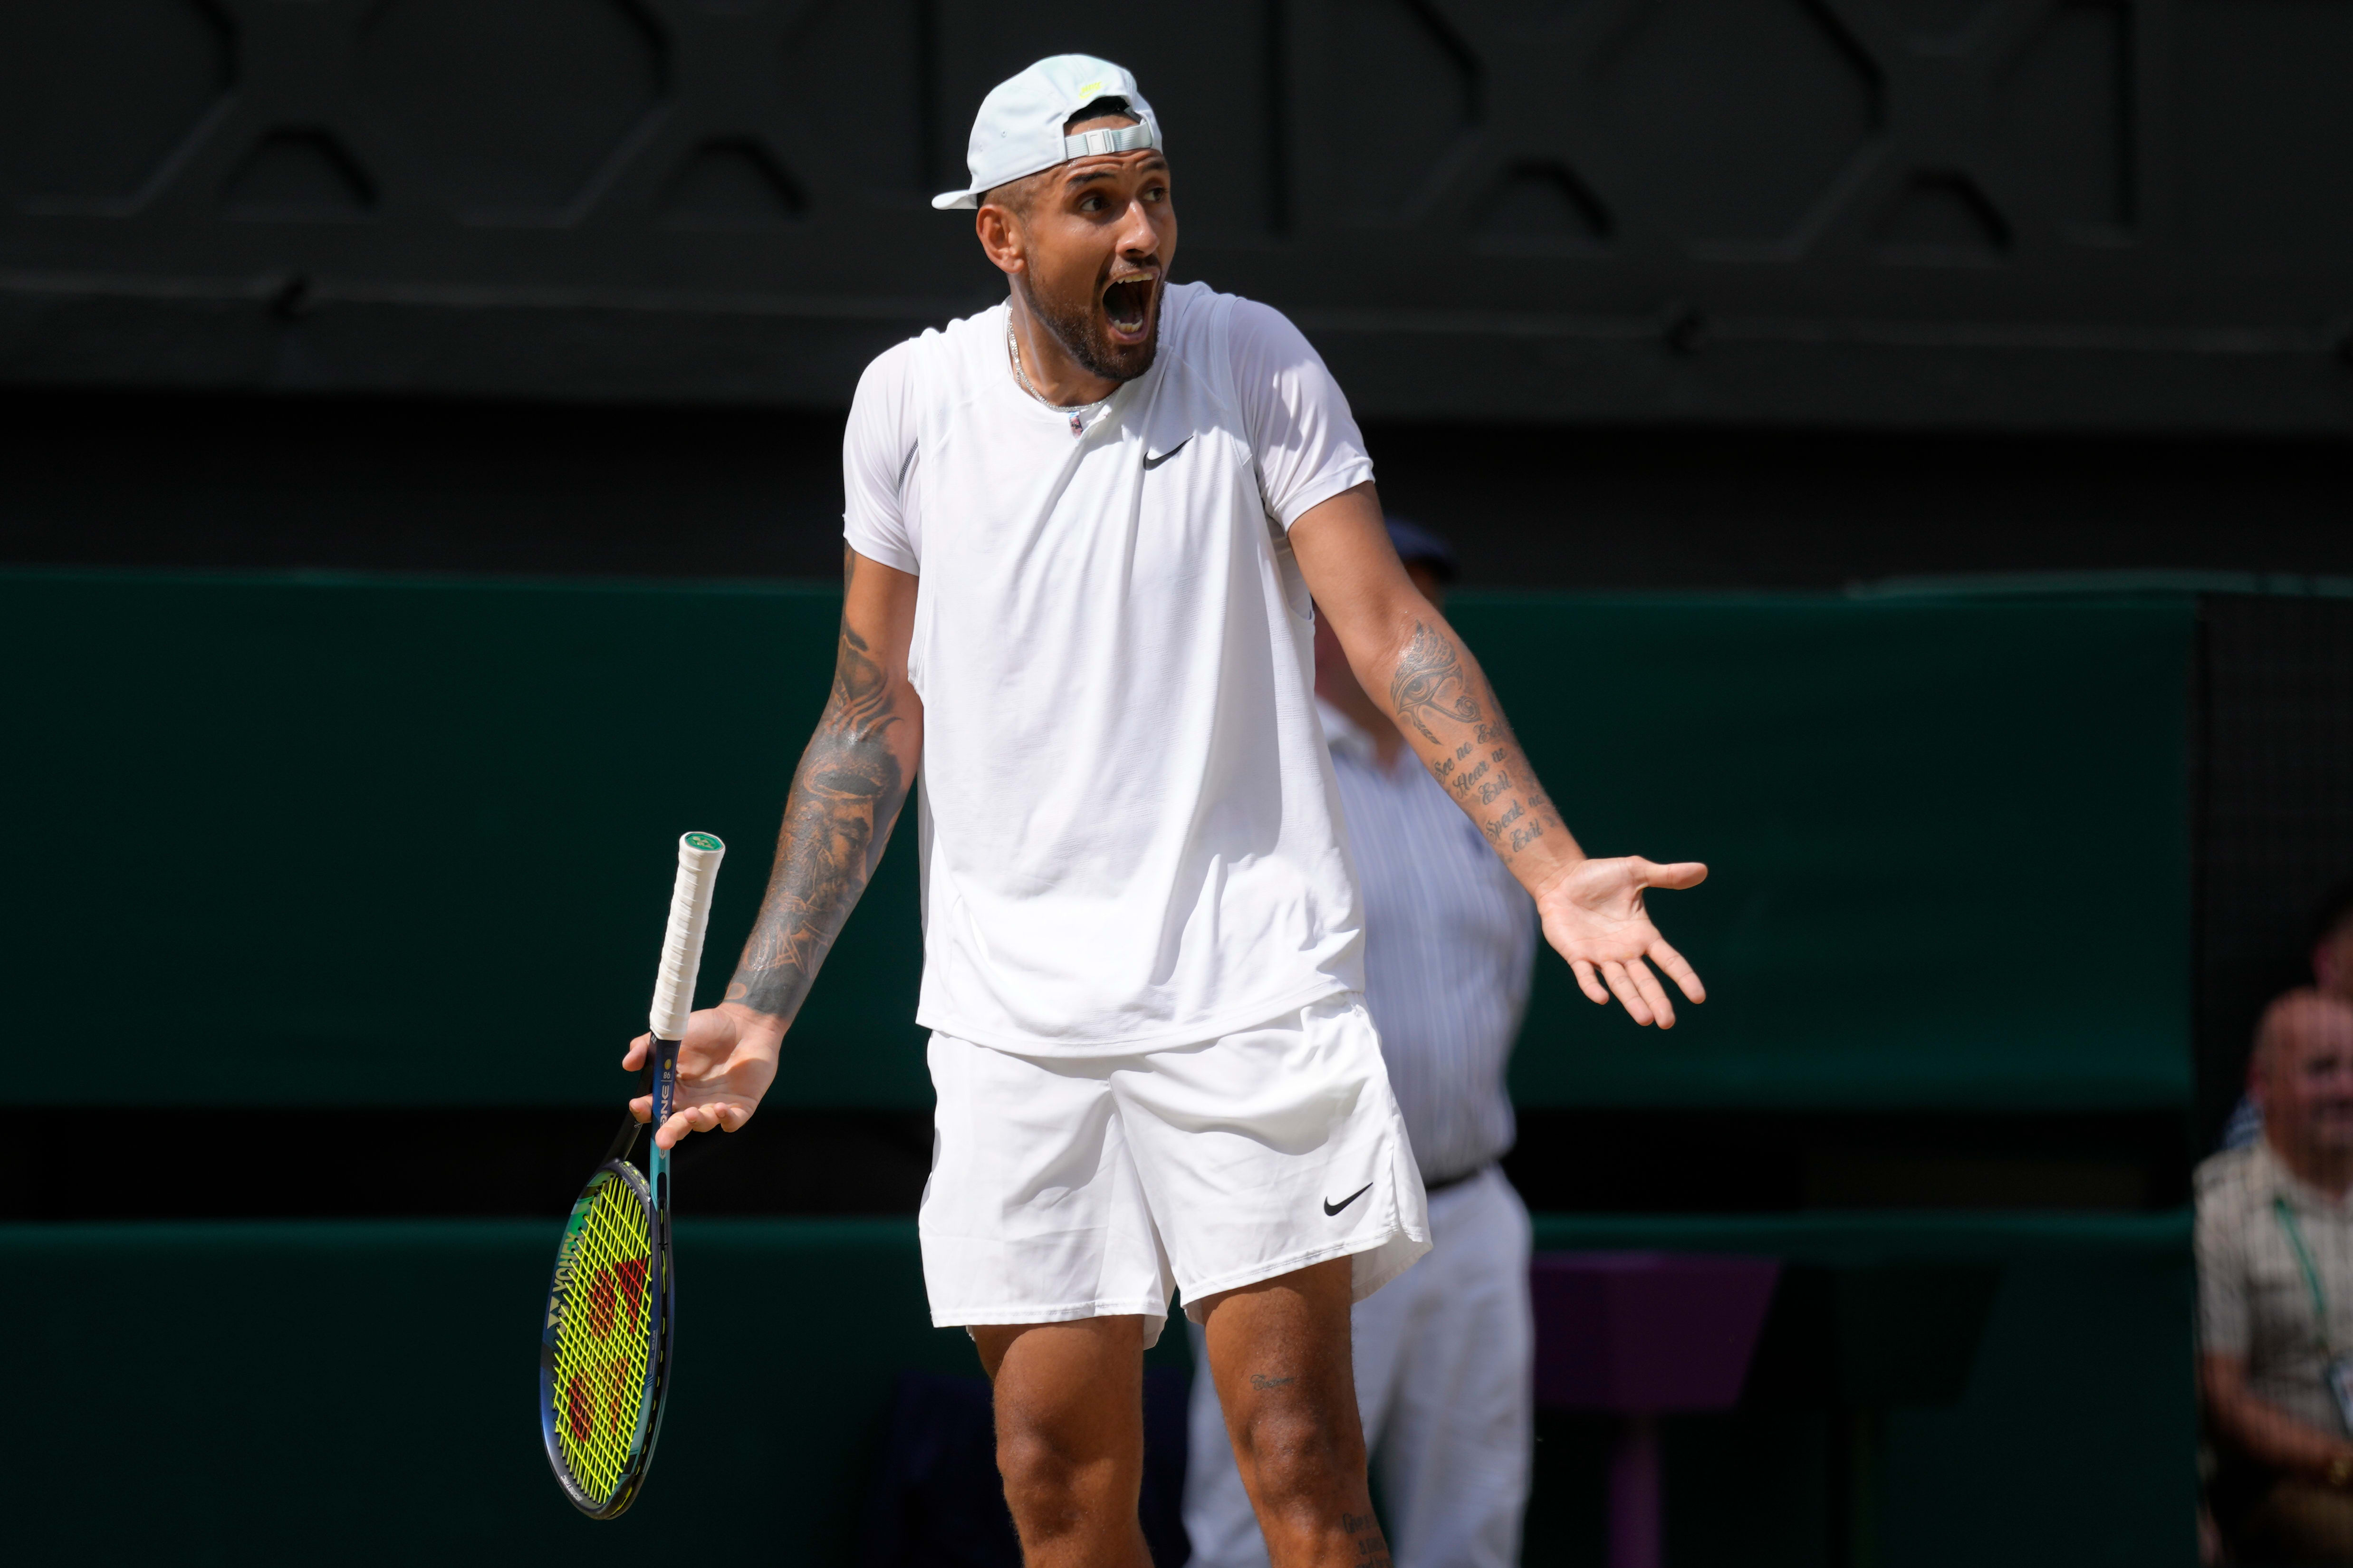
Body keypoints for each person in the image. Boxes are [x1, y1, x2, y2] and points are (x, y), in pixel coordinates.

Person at [624, 57, 1708, 1568]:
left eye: (1155, 195)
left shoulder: (1255, 359)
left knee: (1301, 1470)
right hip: (1012, 1027)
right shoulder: (909, 405)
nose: (1140, 233)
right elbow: (870, 715)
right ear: (1002, 235)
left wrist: (1547, 862)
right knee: (1053, 1486)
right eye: (1094, 203)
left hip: (1247, 999)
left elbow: (1388, 626)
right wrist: (760, 1001)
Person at [1184, 519, 1540, 1568]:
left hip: (1473, 1205)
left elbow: (1505, 971)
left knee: (1475, 1523)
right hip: (1309, 1217)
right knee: (1263, 1529)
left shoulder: (1472, 782)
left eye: (1426, 603)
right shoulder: (1254, 777)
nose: (1410, 625)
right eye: (1385, 600)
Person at [2198, 988, 2353, 1563]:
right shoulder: (2220, 1212)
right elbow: (2224, 1402)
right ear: (2260, 1084)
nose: (2347, 1088)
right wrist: (2342, 1466)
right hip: (2288, 1483)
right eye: (2322, 1069)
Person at [2219, 879, 2353, 1152]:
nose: (2345, 1088)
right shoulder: (2291, 1054)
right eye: (2324, 1069)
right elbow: (2242, 1161)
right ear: (2329, 962)